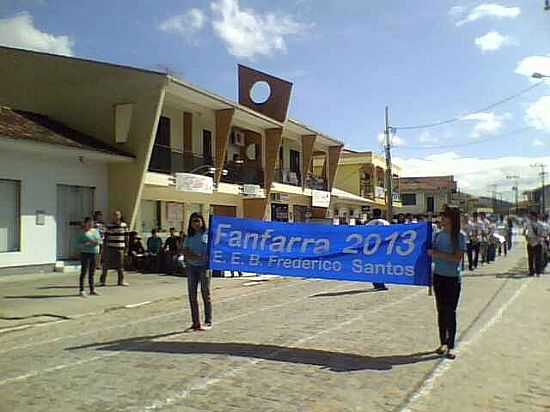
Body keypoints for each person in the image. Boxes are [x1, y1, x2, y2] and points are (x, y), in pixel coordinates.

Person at [428, 206, 466, 360]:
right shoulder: (437, 235)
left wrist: (437, 254)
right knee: (441, 311)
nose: (441, 219)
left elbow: (457, 258)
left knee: (450, 312)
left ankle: (450, 346)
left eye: (445, 216)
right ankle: (442, 342)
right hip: (438, 277)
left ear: (452, 219)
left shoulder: (460, 236)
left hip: (452, 279)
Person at [182, 213, 212, 331]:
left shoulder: (208, 234)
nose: (196, 223)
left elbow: (212, 249)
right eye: (193, 221)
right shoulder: (188, 237)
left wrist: (203, 257)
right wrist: (194, 256)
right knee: (192, 295)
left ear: (202, 221)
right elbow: (185, 250)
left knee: (206, 293)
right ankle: (195, 322)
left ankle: (208, 320)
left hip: (204, 267)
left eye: (198, 221)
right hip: (192, 267)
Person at [99, 210, 129, 287]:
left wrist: (126, 248)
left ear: (120, 216)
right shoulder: (109, 226)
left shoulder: (124, 225)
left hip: (120, 247)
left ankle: (120, 281)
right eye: (114, 215)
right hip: (110, 247)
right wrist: (104, 249)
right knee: (106, 265)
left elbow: (126, 237)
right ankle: (102, 281)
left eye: (117, 215)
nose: (116, 217)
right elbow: (106, 237)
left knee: (120, 265)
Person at [76, 217, 101, 297]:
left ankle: (92, 289)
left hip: (94, 253)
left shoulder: (95, 231)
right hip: (85, 253)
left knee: (92, 272)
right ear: (85, 223)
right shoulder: (82, 233)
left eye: (92, 223)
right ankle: (82, 290)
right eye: (89, 223)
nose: (90, 224)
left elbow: (99, 240)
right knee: (84, 272)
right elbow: (77, 244)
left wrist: (97, 242)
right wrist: (86, 244)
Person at [366, 209, 390, 291]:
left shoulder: (369, 224)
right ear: (381, 214)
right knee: (380, 266)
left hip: (371, 247)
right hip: (382, 247)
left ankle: (376, 283)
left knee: (373, 265)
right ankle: (380, 283)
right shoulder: (385, 223)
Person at [524, 211, 544, 277]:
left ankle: (538, 272)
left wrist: (537, 240)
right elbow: (524, 233)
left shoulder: (539, 224)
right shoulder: (527, 224)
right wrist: (527, 237)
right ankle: (531, 271)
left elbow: (541, 234)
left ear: (534, 216)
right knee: (530, 258)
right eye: (529, 216)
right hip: (530, 243)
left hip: (537, 243)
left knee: (537, 258)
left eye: (531, 216)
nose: (529, 217)